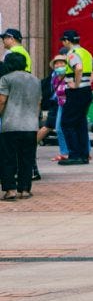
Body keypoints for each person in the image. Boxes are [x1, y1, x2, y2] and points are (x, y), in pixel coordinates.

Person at [0, 52, 40, 201]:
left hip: (10, 124)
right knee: (27, 158)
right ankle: (24, 189)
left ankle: (10, 190)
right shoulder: (35, 80)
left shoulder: (6, 79)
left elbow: (2, 100)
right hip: (30, 125)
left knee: (8, 158)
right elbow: (38, 102)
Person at [54, 29, 93, 166]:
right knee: (80, 123)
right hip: (87, 91)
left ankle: (74, 154)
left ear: (67, 41)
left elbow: (78, 68)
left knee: (67, 122)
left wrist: (76, 84)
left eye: (63, 41)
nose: (63, 43)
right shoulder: (86, 52)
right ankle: (83, 155)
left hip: (77, 93)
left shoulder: (72, 54)